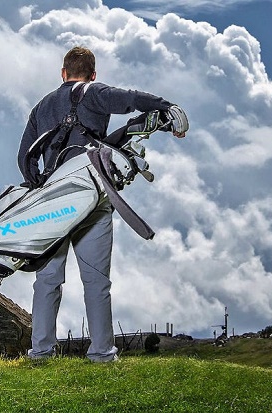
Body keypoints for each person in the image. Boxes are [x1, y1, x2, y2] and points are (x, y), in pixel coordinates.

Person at [18, 46, 186, 362]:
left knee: (47, 280)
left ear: (62, 74)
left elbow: (24, 159)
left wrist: (41, 187)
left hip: (51, 201)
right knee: (96, 281)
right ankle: (101, 353)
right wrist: (168, 108)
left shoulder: (41, 107)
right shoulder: (95, 92)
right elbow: (134, 99)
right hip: (92, 197)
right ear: (93, 74)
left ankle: (40, 351)